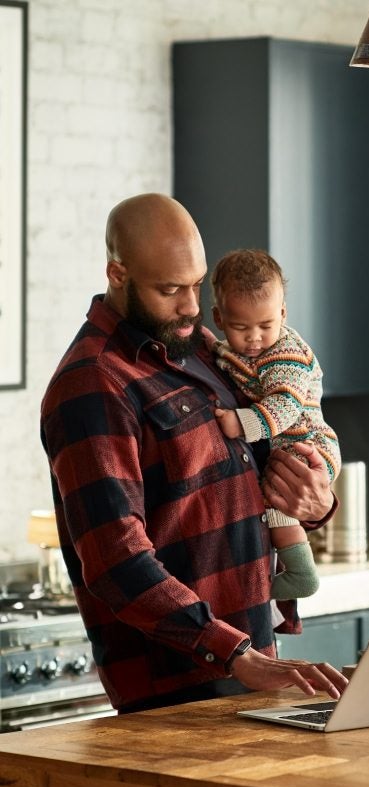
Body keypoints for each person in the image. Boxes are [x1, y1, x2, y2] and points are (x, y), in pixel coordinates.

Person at [39, 193, 348, 713]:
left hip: (252, 662)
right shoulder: (93, 384)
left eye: (197, 286)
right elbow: (116, 561)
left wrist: (315, 502)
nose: (190, 306)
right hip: (177, 686)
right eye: (169, 289)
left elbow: (259, 463)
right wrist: (233, 652)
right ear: (117, 273)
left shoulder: (201, 348)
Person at [210, 248, 341, 601]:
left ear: (282, 314)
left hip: (308, 444)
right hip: (285, 445)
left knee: (278, 499)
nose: (255, 337)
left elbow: (285, 405)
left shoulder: (285, 354)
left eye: (266, 325)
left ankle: (301, 574)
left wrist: (240, 424)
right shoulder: (229, 350)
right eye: (241, 327)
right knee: (274, 499)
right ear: (219, 319)